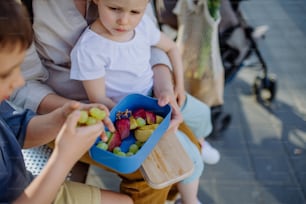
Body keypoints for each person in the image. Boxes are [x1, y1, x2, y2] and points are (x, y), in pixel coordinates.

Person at [9, 0, 211, 203]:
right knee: (156, 169)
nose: (124, 19)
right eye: (115, 9)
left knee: (189, 150)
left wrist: (165, 85)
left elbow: (147, 38)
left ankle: (177, 196)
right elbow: (21, 84)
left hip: (136, 96)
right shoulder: (17, 9)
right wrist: (76, 110)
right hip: (65, 110)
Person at [0, 1, 133, 204]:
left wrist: (61, 117)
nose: (18, 81)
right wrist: (64, 158)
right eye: (5, 74)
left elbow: (18, 129)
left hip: (26, 185)